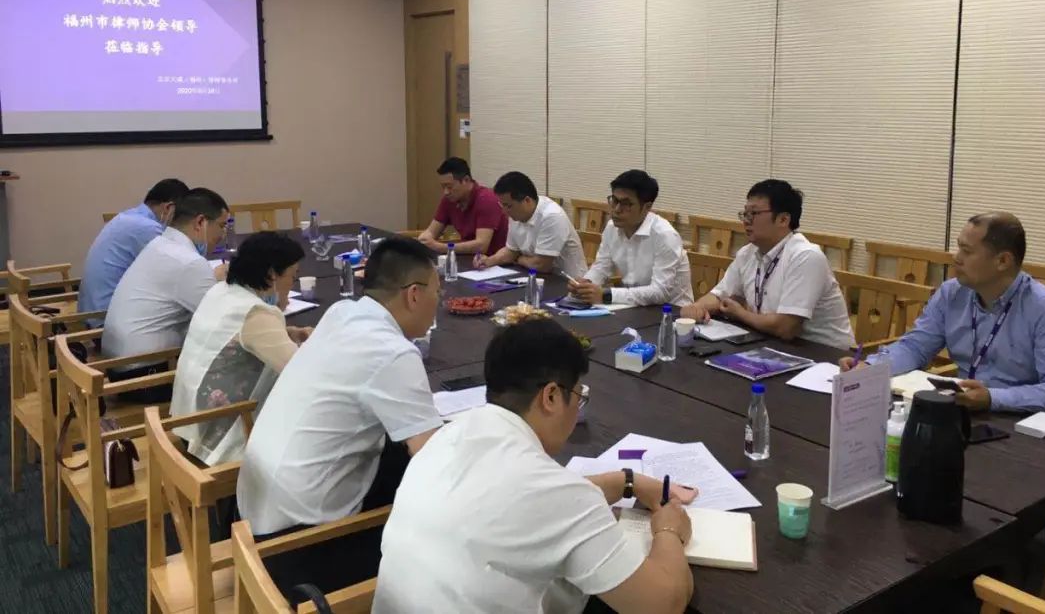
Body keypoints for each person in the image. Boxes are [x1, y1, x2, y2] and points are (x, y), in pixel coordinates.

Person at [374, 318, 697, 614]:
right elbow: (663, 604)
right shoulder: (554, 493)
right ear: (551, 396)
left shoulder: (448, 436)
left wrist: (627, 482)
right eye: (579, 396)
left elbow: (529, 500)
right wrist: (669, 529)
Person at [237, 235, 443, 602]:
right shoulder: (392, 352)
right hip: (298, 550)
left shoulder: (341, 313)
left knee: (396, 451)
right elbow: (434, 460)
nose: (438, 302)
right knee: (446, 527)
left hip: (251, 517)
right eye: (437, 293)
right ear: (414, 294)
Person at [840, 213, 1045, 413]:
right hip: (962, 410)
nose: (956, 257)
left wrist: (993, 398)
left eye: (966, 251)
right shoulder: (952, 293)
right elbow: (915, 346)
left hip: (1020, 421)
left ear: (1003, 261)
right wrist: (871, 368)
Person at [170, 232, 313, 467]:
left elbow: (238, 338)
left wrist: (290, 333)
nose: (293, 283)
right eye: (292, 275)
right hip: (219, 439)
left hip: (187, 424)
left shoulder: (221, 292)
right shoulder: (256, 314)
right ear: (272, 275)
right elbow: (302, 374)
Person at [682, 179, 854, 348]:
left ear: (783, 220)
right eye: (745, 214)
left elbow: (785, 327)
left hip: (823, 355)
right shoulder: (747, 253)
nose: (746, 220)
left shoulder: (806, 257)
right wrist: (696, 308)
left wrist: (740, 313)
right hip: (771, 344)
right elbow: (720, 296)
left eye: (754, 213)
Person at [101, 188, 229, 403]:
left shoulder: (159, 244)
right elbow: (223, 322)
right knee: (239, 370)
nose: (223, 235)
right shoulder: (189, 262)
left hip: (119, 367)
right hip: (146, 377)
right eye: (222, 226)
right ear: (200, 222)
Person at [569, 170, 692, 307]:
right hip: (631, 307)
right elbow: (601, 267)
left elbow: (660, 292)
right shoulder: (612, 228)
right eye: (614, 200)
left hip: (670, 311)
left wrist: (607, 294)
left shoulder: (664, 235)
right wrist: (585, 285)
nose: (617, 209)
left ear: (647, 207)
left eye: (626, 204)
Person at [78, 178, 189, 321]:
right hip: (104, 319)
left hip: (91, 309)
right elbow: (177, 270)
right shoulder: (148, 228)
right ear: (169, 208)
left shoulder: (128, 216)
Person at [474, 170, 588, 278]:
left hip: (567, 282)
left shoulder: (551, 216)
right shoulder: (515, 215)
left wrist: (518, 258)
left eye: (508, 206)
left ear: (527, 201)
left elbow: (542, 265)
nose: (504, 211)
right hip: (535, 275)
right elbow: (511, 251)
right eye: (502, 205)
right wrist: (489, 260)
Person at [417, 157, 508, 257]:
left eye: (449, 187)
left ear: (466, 180)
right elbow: (431, 231)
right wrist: (426, 238)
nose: (446, 192)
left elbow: (481, 245)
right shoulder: (449, 200)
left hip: (494, 261)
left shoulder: (486, 199)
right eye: (443, 187)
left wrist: (440, 247)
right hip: (467, 258)